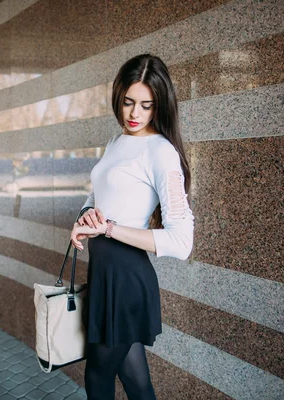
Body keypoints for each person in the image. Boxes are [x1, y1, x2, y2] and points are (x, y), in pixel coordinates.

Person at [70, 54, 195, 400]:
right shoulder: (115, 142)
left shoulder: (161, 152)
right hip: (104, 275)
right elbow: (98, 195)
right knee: (137, 383)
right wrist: (85, 218)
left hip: (127, 282)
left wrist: (108, 229)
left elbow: (182, 241)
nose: (134, 114)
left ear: (159, 106)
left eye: (145, 105)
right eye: (128, 102)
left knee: (97, 376)